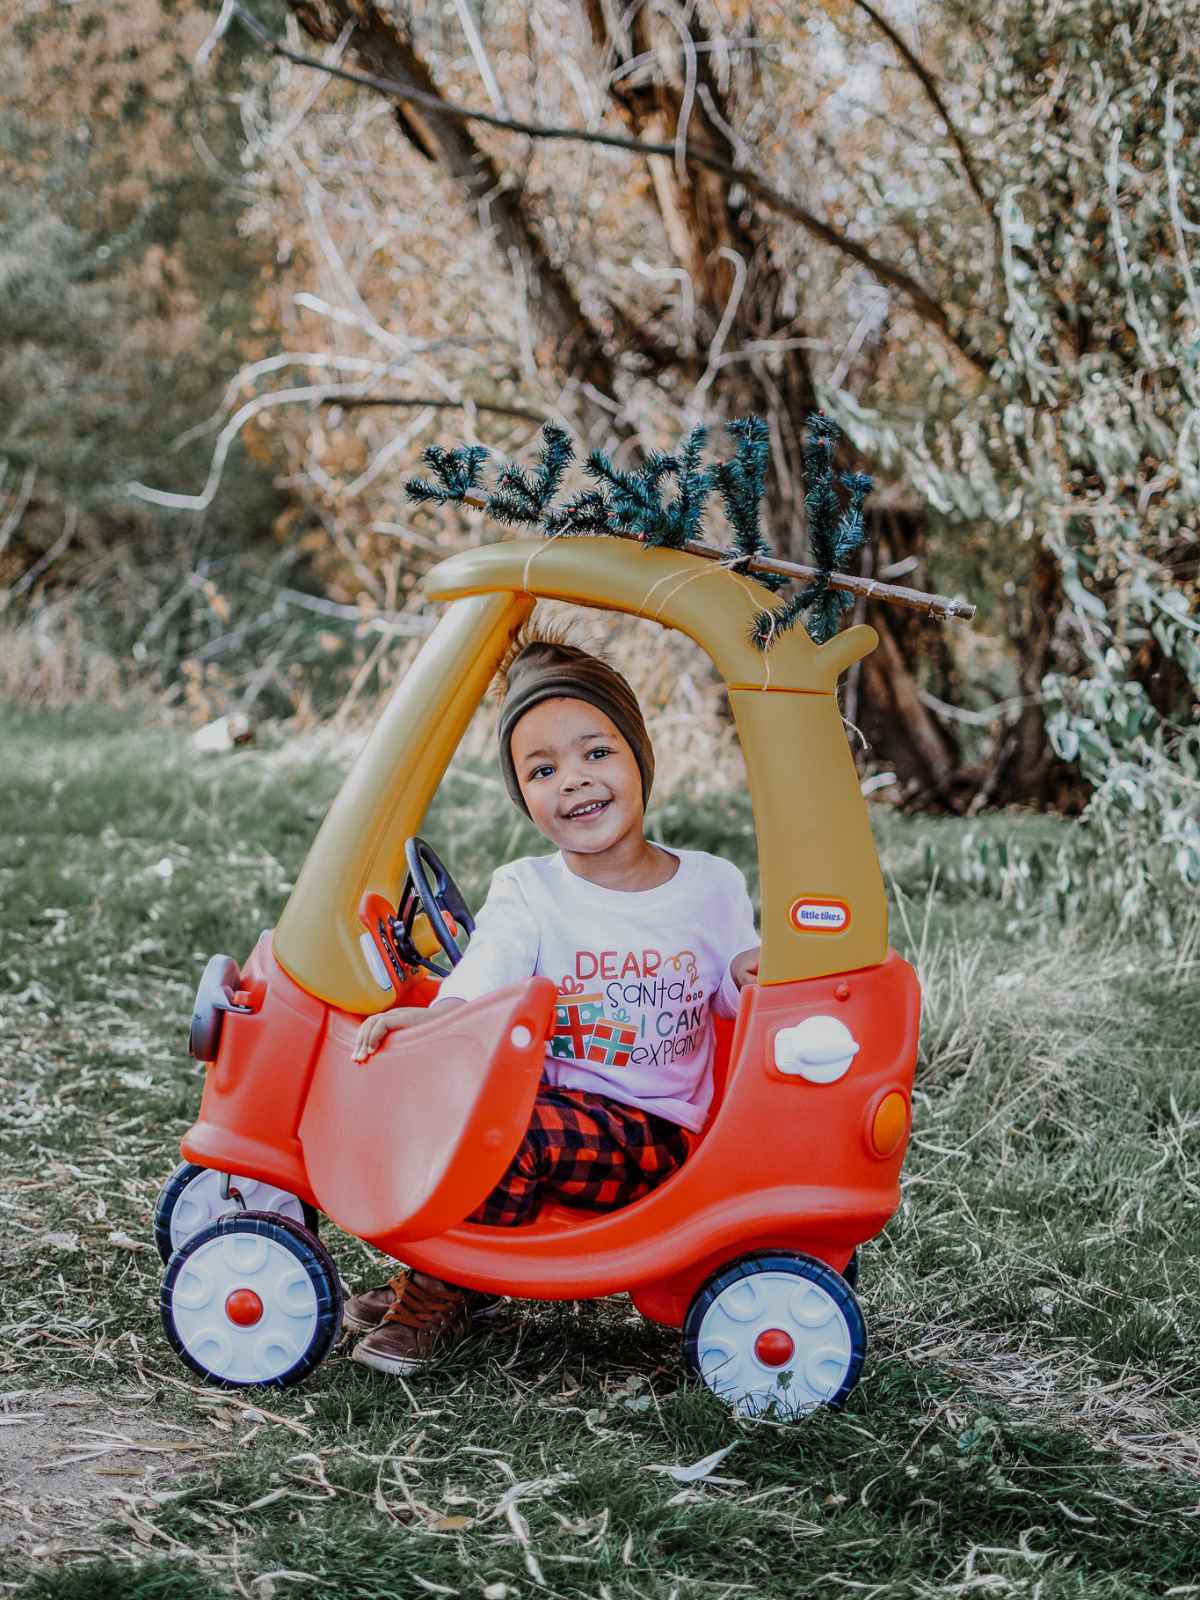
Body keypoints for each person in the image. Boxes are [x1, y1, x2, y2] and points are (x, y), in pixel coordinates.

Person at [345, 628, 761, 1377]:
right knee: (469, 1110)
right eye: (542, 769)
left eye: (596, 754)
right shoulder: (528, 889)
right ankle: (446, 1267)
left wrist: (762, 970)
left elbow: (740, 987)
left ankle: (447, 1282)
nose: (573, 780)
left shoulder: (710, 885)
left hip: (652, 1133)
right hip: (544, 1105)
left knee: (517, 1136)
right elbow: (486, 974)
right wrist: (439, 1016)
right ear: (522, 794)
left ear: (641, 759)